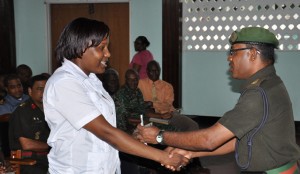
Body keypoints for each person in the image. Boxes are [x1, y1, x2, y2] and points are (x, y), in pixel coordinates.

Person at [137, 27, 300, 173]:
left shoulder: (258, 94)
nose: (229, 58)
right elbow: (239, 140)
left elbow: (210, 139)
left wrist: (159, 136)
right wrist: (189, 152)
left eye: (233, 52)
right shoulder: (271, 83)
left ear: (252, 54)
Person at [43, 17, 187, 173]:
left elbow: (104, 131)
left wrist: (133, 137)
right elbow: (106, 132)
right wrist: (163, 157)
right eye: (102, 48)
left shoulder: (92, 80)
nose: (108, 54)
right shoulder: (64, 83)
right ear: (80, 48)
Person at [138, 60, 199, 132]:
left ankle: (186, 142)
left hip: (169, 114)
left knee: (193, 125)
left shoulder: (167, 86)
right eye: (152, 71)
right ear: (147, 71)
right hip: (151, 115)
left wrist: (152, 103)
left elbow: (167, 105)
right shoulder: (140, 84)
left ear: (160, 70)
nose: (155, 73)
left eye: (157, 70)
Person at [9, 74, 50, 174]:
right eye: (40, 89)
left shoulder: (51, 109)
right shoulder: (23, 111)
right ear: (30, 91)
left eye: (47, 88)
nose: (44, 92)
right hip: (30, 161)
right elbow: (27, 144)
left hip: (50, 158)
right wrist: (53, 145)